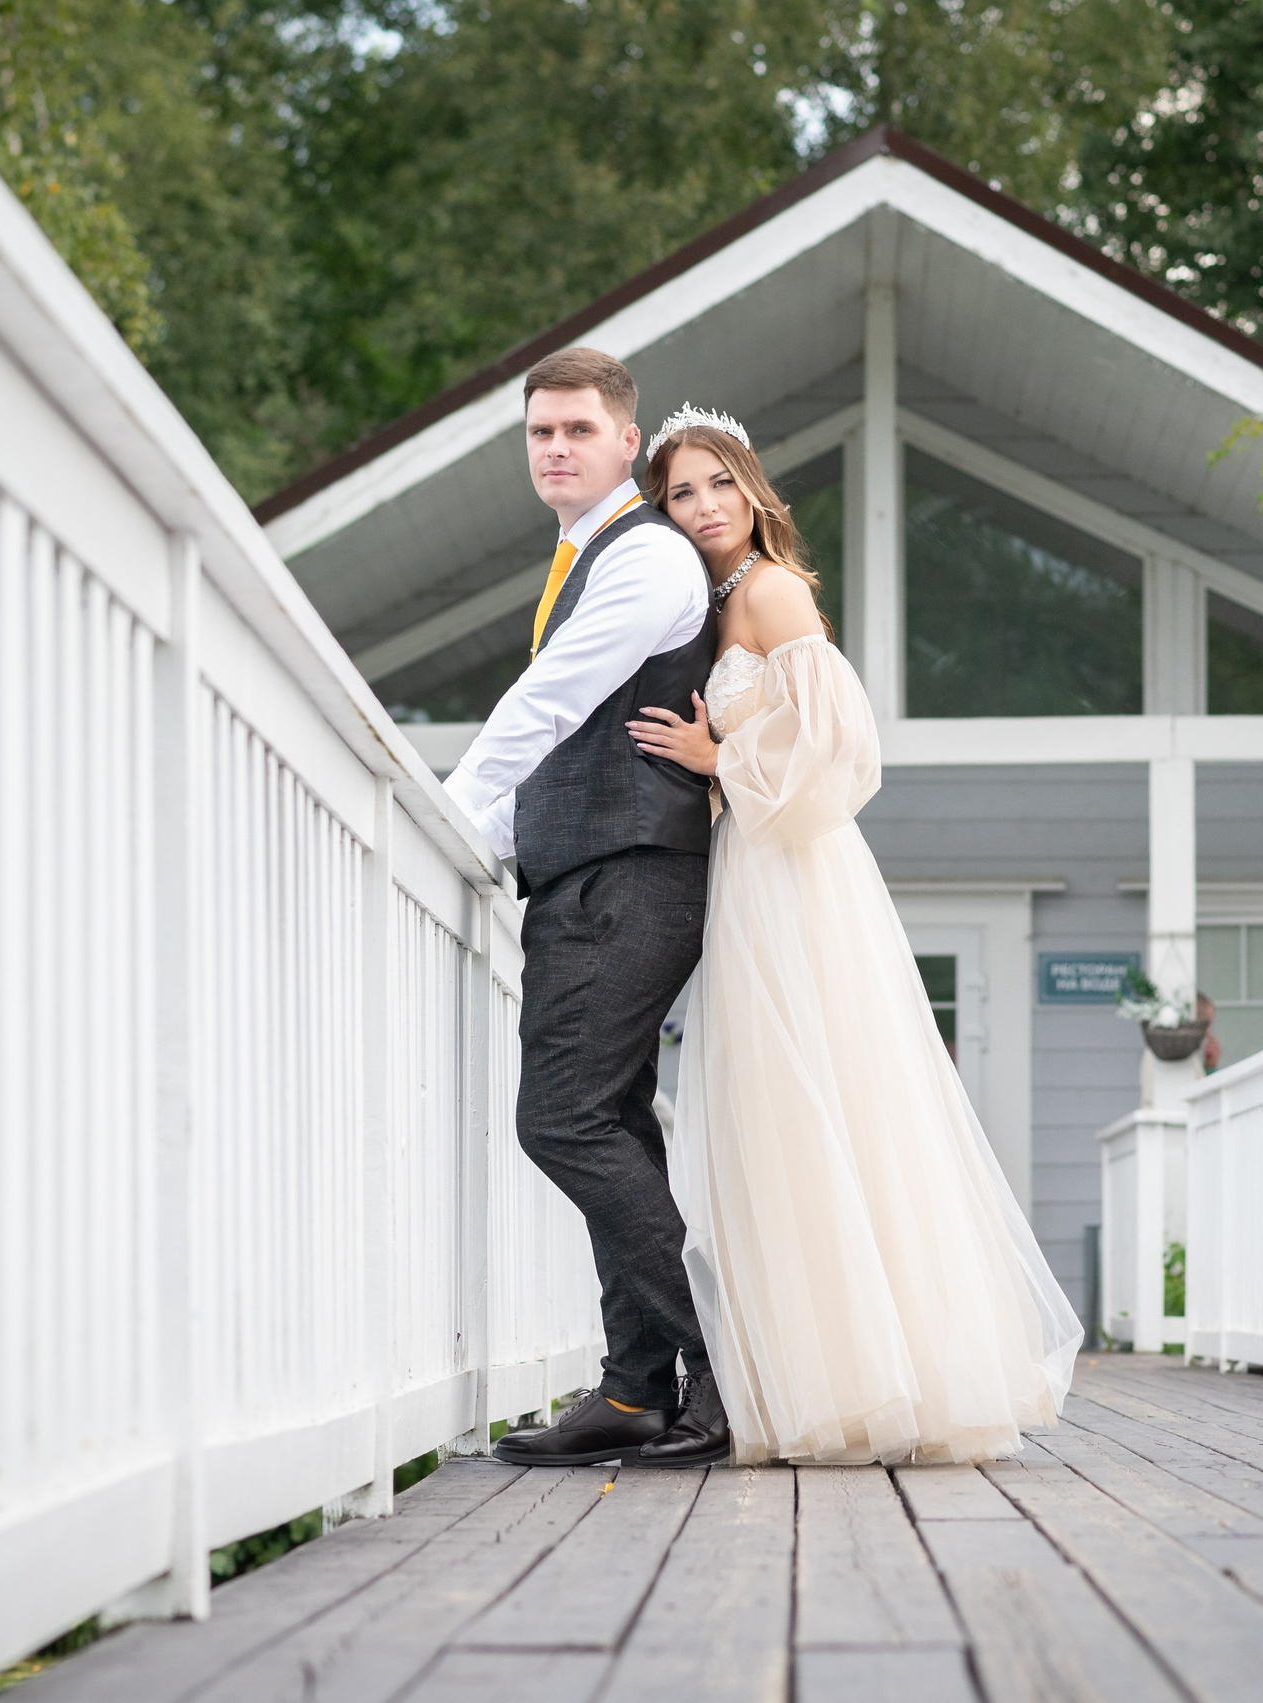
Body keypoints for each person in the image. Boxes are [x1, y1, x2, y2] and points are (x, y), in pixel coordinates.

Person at [626, 407, 1082, 1465]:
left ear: (751, 490)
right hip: (752, 866)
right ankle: (819, 1376)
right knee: (773, 1115)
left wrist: (714, 762)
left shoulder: (772, 589)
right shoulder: (721, 599)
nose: (700, 509)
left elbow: (843, 743)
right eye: (679, 493)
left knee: (813, 1098)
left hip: (795, 873)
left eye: (715, 486)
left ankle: (865, 1379)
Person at [441, 349, 728, 1469]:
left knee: (558, 1118)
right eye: (536, 433)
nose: (553, 448)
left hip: (631, 878)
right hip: (583, 875)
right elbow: (569, 745)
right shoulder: (578, 557)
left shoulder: (645, 556)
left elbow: (550, 703)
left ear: (625, 441)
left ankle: (717, 1367)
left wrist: (450, 808)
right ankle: (632, 1389)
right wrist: (500, 836)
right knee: (606, 1120)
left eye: (574, 429)